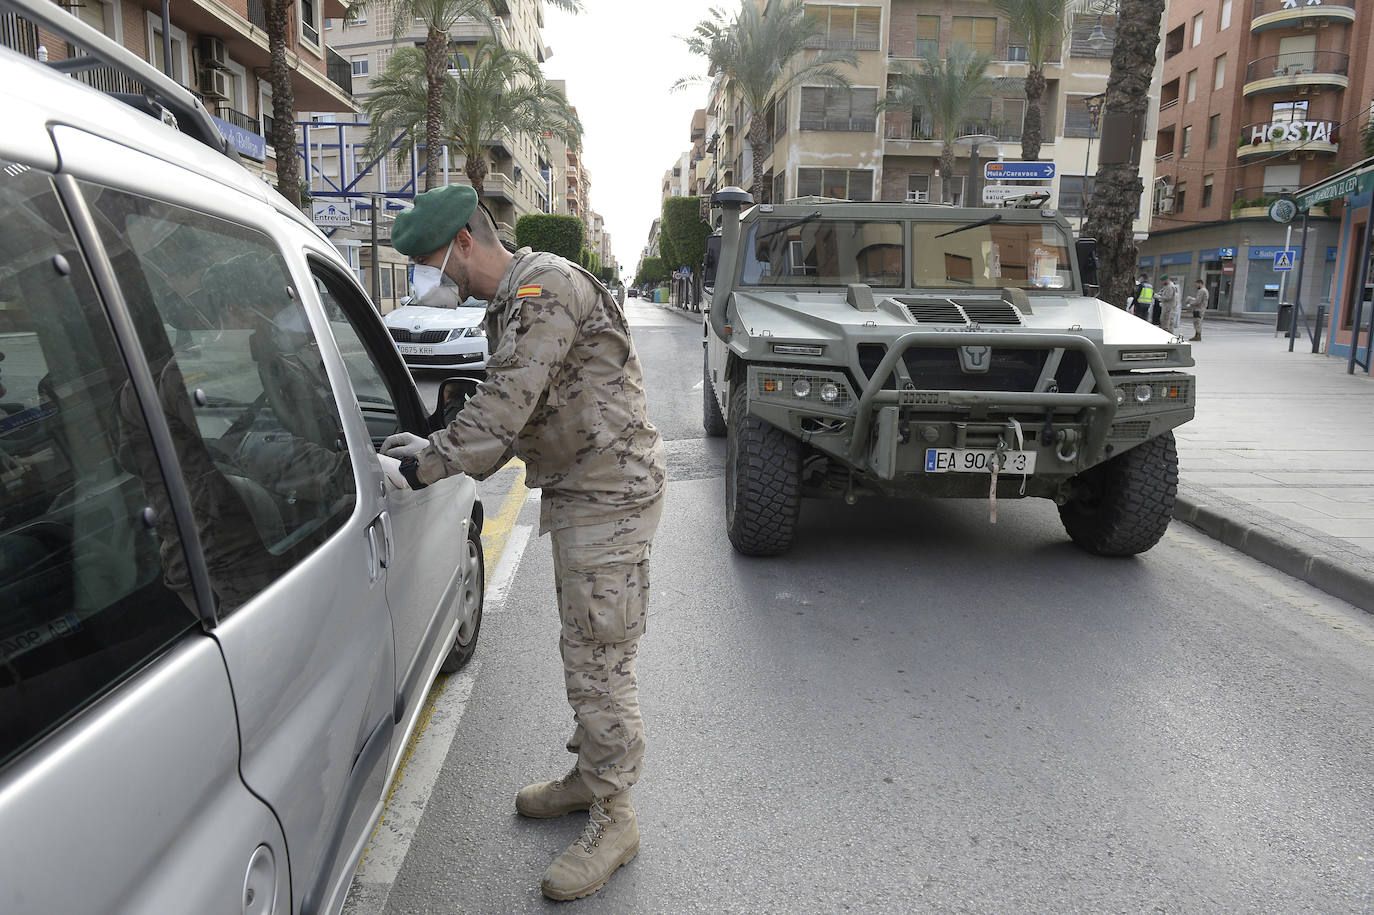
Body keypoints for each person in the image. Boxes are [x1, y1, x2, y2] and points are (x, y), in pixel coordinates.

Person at [380, 185, 666, 901]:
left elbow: (503, 407)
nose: (424, 275)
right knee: (585, 641)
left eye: (425, 260)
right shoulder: (511, 300)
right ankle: (587, 778)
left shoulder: (542, 288)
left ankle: (615, 815)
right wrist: (443, 438)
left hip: (609, 492)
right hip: (584, 485)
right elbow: (519, 412)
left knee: (599, 656)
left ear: (465, 244)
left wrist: (424, 463)